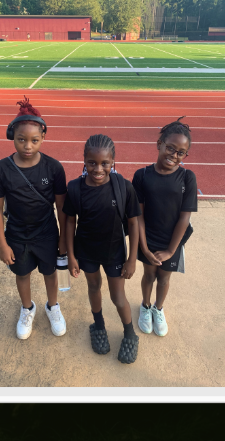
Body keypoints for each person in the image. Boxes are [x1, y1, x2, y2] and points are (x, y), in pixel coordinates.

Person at [0, 98, 68, 341]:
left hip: (46, 232)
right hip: (17, 233)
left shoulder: (54, 168)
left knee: (50, 272)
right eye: (21, 139)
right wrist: (2, 244)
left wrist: (64, 240)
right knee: (22, 273)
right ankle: (27, 308)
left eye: (34, 140)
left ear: (43, 138)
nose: (27, 145)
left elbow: (62, 208)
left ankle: (52, 306)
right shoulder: (2, 170)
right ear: (12, 136)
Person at [63, 135, 142, 364]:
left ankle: (129, 333)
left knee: (118, 297)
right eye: (92, 163)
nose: (98, 169)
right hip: (86, 250)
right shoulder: (75, 188)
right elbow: (69, 222)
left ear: (113, 161)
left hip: (114, 251)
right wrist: (71, 255)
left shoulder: (124, 187)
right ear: (84, 161)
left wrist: (132, 259)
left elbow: (134, 223)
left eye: (104, 164)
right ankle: (98, 326)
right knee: (93, 286)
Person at [133, 117, 197, 339]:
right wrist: (144, 247)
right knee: (149, 274)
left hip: (172, 241)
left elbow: (184, 218)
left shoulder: (187, 177)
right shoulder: (142, 176)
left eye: (181, 152)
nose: (174, 155)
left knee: (164, 278)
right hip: (147, 239)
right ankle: (145, 305)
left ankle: (158, 309)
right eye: (170, 148)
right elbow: (138, 214)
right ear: (159, 144)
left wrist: (171, 250)